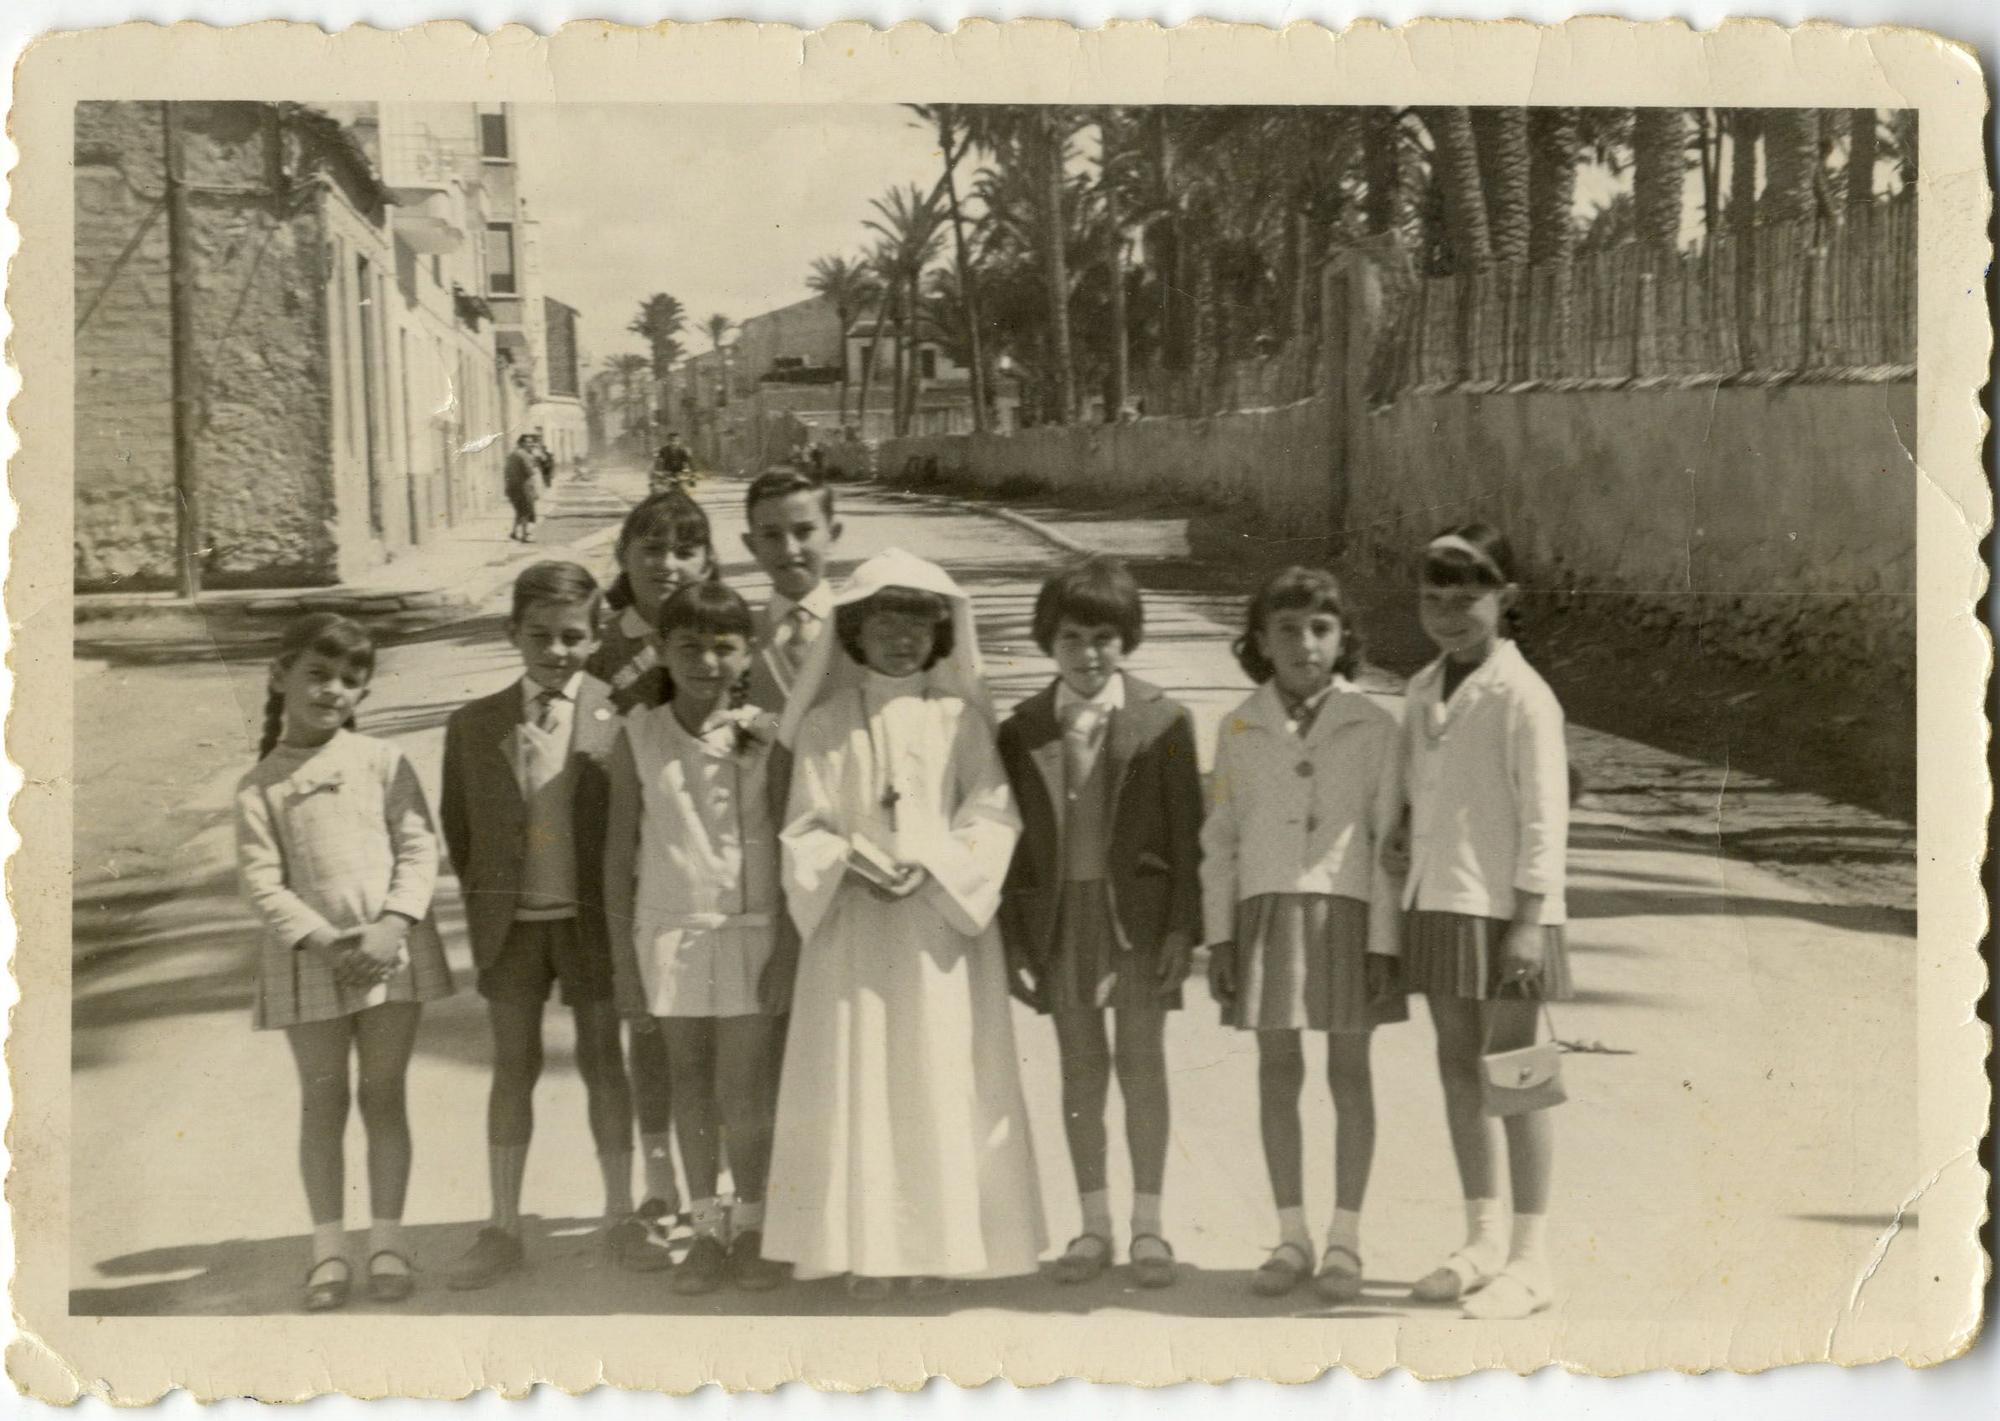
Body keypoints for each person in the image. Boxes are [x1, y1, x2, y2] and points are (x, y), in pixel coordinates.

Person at [765, 549, 1046, 1298]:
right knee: (862, 1081)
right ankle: (864, 1251)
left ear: (941, 632)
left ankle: (938, 1250)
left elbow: (992, 813)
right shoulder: (826, 721)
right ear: (854, 631)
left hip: (940, 933)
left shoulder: (962, 720)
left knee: (937, 1080)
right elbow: (804, 825)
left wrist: (941, 866)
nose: (901, 638)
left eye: (918, 622)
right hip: (855, 931)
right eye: (885, 622)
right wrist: (845, 862)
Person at [1379, 524, 1573, 1321]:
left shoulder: (1525, 695)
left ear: (1508, 601)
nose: (1451, 614)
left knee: (1519, 1075)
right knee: (1459, 1066)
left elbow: (1544, 816)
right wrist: (1401, 828)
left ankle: (1531, 1258)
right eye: (1435, 598)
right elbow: (1416, 788)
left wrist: (1529, 918)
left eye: (1469, 598)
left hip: (1508, 912)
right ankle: (1482, 1237)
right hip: (1440, 902)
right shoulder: (1422, 688)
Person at [234, 614, 455, 1311]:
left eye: (350, 681)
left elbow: (419, 848)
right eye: (318, 675)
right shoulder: (259, 785)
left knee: (384, 1093)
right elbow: (261, 882)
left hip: (392, 954)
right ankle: (328, 1248)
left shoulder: (384, 763)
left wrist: (394, 925)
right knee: (323, 1099)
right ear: (281, 675)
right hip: (311, 961)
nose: (333, 691)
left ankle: (387, 1239)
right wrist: (326, 942)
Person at [996, 557, 1203, 1290]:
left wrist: (1184, 929)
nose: (1089, 654)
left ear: (1128, 640)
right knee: (1080, 1067)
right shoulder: (1020, 729)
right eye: (1074, 637)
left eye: (1105, 638)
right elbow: (1010, 845)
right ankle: (1094, 1224)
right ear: (1048, 641)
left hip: (1137, 922)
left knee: (1141, 1063)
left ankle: (1149, 1223)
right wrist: (1015, 940)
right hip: (1060, 919)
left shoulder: (1165, 719)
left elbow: (1189, 837)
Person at [1203, 566, 1407, 1302]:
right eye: (1285, 629)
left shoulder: (1375, 724)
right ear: (1260, 640)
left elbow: (1389, 837)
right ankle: (1292, 1234)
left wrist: (1384, 942)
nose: (1304, 643)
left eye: (1320, 628)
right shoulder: (1238, 725)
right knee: (1277, 1073)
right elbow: (1220, 838)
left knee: (1349, 1074)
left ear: (1343, 637)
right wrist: (1220, 936)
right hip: (1266, 912)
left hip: (1345, 910)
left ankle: (1345, 1238)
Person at [439, 562, 635, 1290]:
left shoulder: (623, 716)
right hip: (516, 926)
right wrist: (496, 903)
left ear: (598, 635)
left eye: (573, 636)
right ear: (512, 633)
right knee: (512, 1067)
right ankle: (503, 1224)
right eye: (540, 636)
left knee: (603, 1063)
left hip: (590, 922)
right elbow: (460, 831)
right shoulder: (474, 724)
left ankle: (621, 1214)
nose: (556, 651)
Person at [603, 582, 788, 1294]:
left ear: (747, 653)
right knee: (689, 1087)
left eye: (723, 646)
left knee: (743, 1090)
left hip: (748, 934)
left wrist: (788, 949)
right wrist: (625, 962)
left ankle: (752, 1226)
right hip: (670, 937)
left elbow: (785, 841)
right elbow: (617, 855)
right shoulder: (641, 734)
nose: (706, 661)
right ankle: (705, 1227)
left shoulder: (760, 734)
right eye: (689, 646)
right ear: (662, 650)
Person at [585, 490, 724, 1269]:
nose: (666, 564)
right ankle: (659, 1181)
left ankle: (724, 1188)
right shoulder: (603, 647)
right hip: (634, 843)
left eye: (684, 549)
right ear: (625, 557)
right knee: (650, 1026)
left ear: (706, 559)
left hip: (714, 850)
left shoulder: (721, 629)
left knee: (718, 1027)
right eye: (650, 549)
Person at [740, 467, 843, 720]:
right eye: (772, 535)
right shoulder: (743, 635)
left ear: (832, 534)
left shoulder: (859, 625)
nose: (790, 549)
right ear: (752, 545)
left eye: (804, 531)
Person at [504, 436, 542, 542]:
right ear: (521, 443)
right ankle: (524, 535)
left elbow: (506, 472)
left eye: (531, 442)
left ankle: (514, 532)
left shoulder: (512, 454)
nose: (530, 444)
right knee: (526, 511)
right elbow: (530, 471)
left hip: (513, 487)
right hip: (524, 487)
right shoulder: (524, 455)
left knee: (519, 512)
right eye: (528, 442)